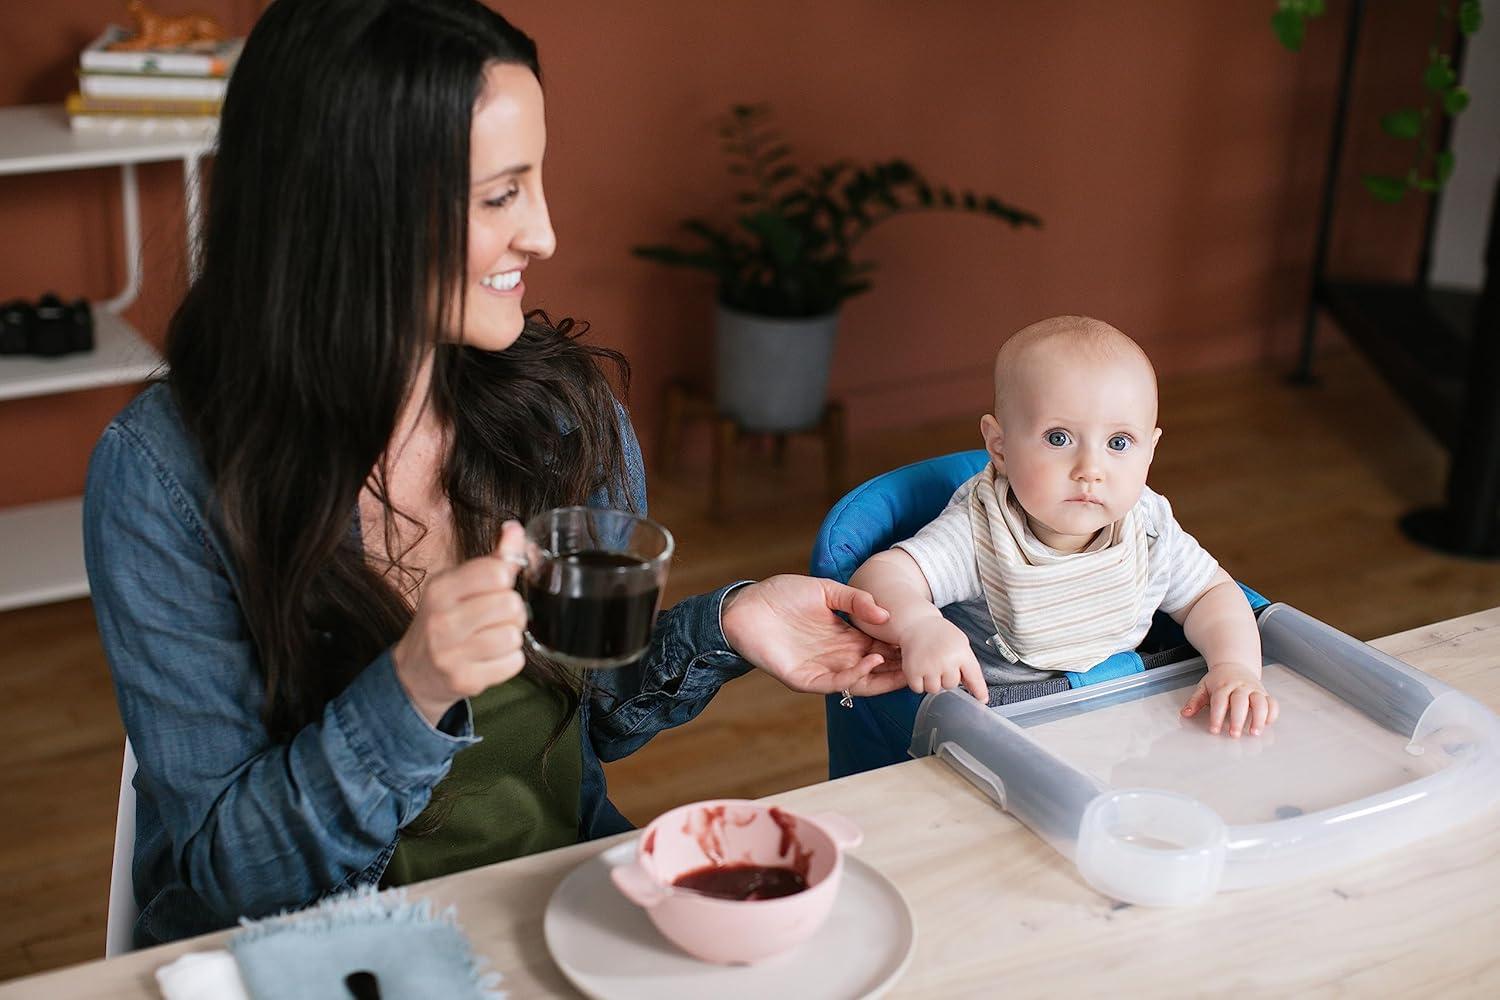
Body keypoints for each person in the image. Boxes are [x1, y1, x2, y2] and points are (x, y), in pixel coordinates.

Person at [82, 0, 903, 948]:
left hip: (552, 920)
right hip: (319, 954)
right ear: (350, 208)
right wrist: (411, 688)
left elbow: (589, 720)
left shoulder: (559, 412)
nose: (544, 234)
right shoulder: (163, 477)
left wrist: (725, 626)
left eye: (535, 183)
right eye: (500, 195)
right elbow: (224, 883)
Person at [848, 315, 1279, 738]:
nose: (1090, 469)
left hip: (1125, 715)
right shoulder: (982, 534)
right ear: (999, 446)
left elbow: (1212, 594)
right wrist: (920, 625)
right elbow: (879, 578)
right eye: (1059, 438)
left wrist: (1234, 667)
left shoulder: (1147, 527)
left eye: (1118, 443)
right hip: (1007, 727)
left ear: (1150, 451)